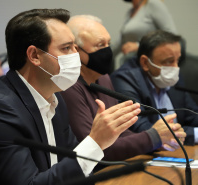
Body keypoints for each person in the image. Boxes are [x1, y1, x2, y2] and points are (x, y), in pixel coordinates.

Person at [0, 9, 142, 185]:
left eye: (75, 47)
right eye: (66, 48)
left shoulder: (55, 99)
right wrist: (96, 142)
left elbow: (69, 167)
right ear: (34, 56)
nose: (76, 55)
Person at [60, 15, 186, 163]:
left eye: (109, 44)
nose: (108, 51)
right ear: (76, 51)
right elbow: (94, 149)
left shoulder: (104, 78)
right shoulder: (68, 87)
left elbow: (121, 133)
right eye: (100, 45)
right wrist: (153, 137)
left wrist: (158, 139)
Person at [111, 30, 198, 146]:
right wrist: (195, 134)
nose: (175, 68)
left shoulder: (172, 77)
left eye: (178, 60)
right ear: (145, 63)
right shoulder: (124, 80)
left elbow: (193, 115)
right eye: (169, 61)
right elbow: (146, 131)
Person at [112, 0, 177, 70]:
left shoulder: (153, 4)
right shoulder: (130, 12)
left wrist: (138, 46)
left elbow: (171, 35)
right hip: (131, 63)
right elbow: (120, 42)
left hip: (148, 64)